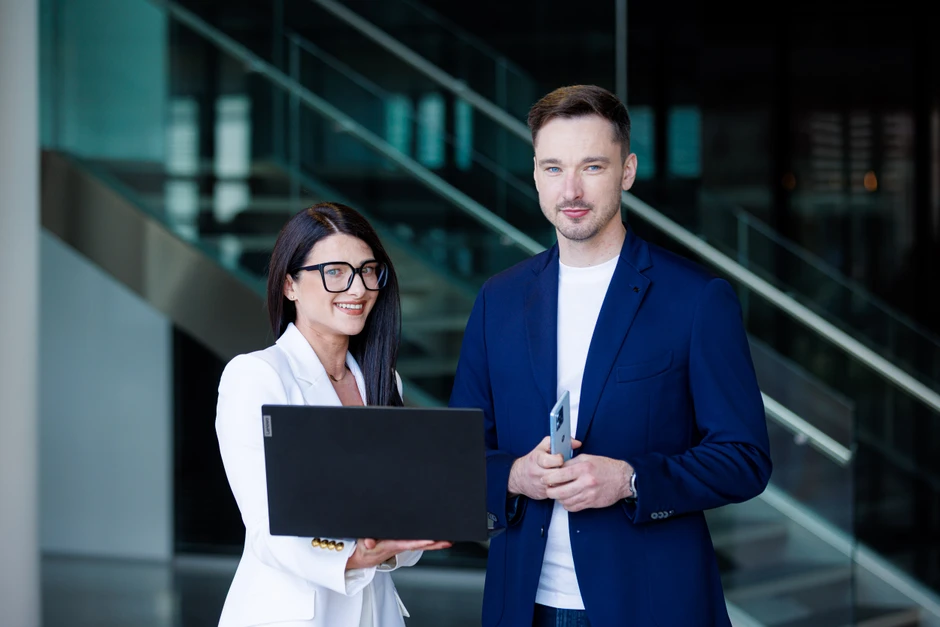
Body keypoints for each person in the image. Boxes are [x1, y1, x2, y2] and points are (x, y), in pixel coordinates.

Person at [449, 85, 772, 627]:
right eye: (554, 168)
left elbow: (745, 459)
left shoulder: (695, 299)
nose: (571, 189)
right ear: (535, 175)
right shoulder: (498, 300)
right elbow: (457, 455)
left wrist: (630, 480)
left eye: (592, 166)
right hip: (522, 606)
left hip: (652, 606)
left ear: (627, 171)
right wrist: (516, 476)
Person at [215, 202, 450, 627]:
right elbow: (266, 525)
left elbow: (399, 510)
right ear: (289, 285)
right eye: (335, 272)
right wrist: (353, 556)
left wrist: (406, 536)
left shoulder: (383, 381)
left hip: (375, 612)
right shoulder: (257, 376)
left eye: (367, 271)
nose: (357, 289)